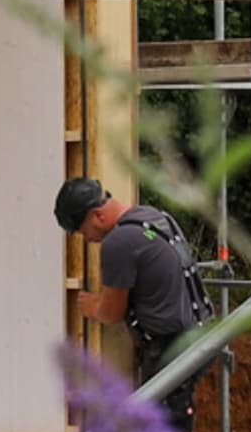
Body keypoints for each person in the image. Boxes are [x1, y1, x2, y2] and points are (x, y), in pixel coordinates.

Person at [56, 175, 201, 418]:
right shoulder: (153, 216)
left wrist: (93, 307)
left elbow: (112, 313)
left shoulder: (119, 242)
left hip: (171, 346)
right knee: (171, 419)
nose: (87, 239)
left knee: (167, 426)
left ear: (97, 215)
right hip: (194, 334)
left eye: (83, 231)